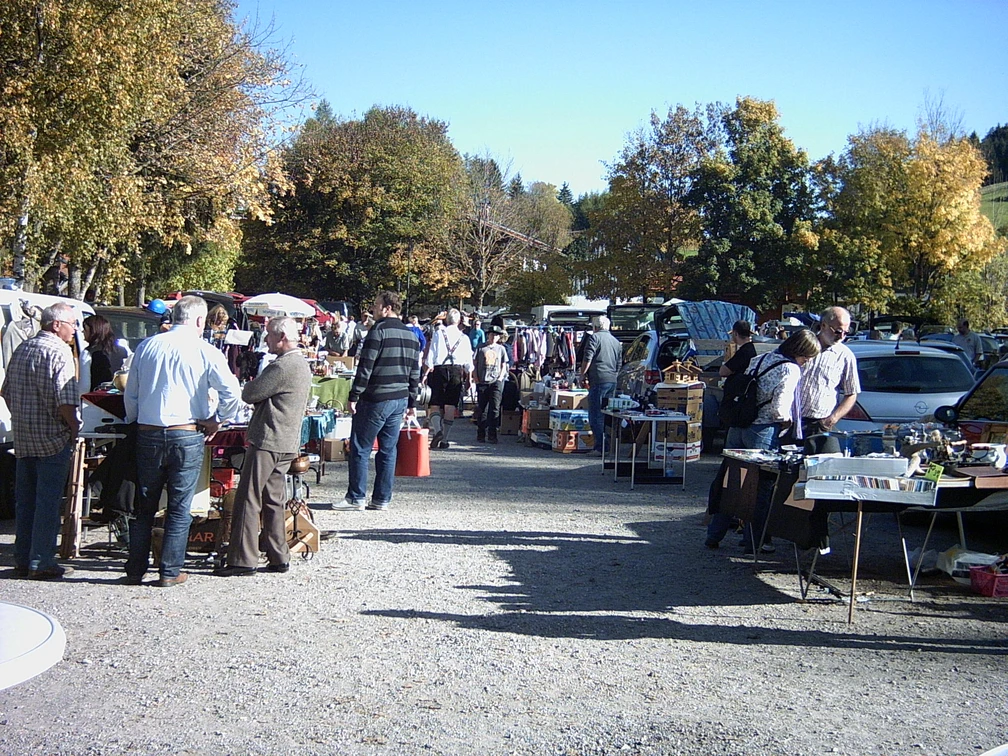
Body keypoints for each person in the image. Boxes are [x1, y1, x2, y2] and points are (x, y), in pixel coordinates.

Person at [123, 295, 242, 587]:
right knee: (179, 506)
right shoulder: (205, 350)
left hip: (149, 431)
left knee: (144, 505)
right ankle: (169, 570)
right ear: (200, 320)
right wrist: (219, 420)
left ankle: (135, 568)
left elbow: (132, 392)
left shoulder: (147, 346)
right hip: (185, 432)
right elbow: (232, 394)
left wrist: (135, 420)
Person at [705, 328, 821, 551]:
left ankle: (714, 534)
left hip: (738, 425)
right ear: (801, 352)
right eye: (807, 357)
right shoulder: (790, 369)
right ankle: (754, 541)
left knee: (732, 483)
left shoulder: (761, 358)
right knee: (760, 489)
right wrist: (787, 422)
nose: (806, 362)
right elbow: (779, 408)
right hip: (762, 430)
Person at [217, 317, 312, 577]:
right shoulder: (300, 364)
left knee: (248, 498)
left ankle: (242, 559)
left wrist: (250, 382)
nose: (266, 340)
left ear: (281, 337)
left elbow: (249, 394)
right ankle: (277, 555)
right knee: (273, 500)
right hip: (286, 442)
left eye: (269, 335)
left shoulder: (282, 366)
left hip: (268, 439)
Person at [1, 303, 81, 579]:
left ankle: (23, 558)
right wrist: (74, 428)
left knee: (26, 502)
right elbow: (66, 401)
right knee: (47, 502)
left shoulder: (23, 348)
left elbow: (6, 391)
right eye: (72, 324)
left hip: (24, 437)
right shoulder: (59, 351)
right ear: (56, 324)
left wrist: (22, 417)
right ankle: (42, 560)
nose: (75, 330)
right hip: (52, 439)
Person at [341, 290, 420, 511]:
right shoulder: (412, 336)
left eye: (376, 305)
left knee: (360, 446)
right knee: (388, 449)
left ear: (387, 308)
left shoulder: (377, 332)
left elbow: (365, 368)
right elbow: (415, 373)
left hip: (376, 397)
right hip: (400, 398)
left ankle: (356, 497)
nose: (373, 309)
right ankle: (382, 498)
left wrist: (354, 395)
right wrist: (412, 403)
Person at [796, 306, 861, 440]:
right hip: (791, 420)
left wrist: (832, 419)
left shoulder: (845, 356)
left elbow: (852, 393)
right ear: (823, 325)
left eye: (846, 332)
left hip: (819, 424)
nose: (842, 336)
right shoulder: (802, 346)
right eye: (838, 331)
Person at [423, 308, 474, 450]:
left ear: (447, 320)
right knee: (450, 405)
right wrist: (469, 378)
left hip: (439, 370)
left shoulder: (439, 333)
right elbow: (468, 362)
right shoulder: (464, 338)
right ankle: (444, 439)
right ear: (458, 321)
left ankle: (437, 430)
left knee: (435, 403)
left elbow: (430, 356)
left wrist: (426, 374)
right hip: (456, 370)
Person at [579, 315, 623, 454]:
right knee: (607, 414)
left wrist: (582, 375)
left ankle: (600, 447)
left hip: (598, 379)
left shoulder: (594, 338)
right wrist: (614, 375)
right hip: (611, 380)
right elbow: (619, 363)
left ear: (595, 327)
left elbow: (588, 358)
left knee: (596, 415)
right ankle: (608, 445)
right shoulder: (616, 342)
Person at [474, 325, 509, 443]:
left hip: (496, 381)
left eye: (496, 335)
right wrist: (476, 379)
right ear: (488, 335)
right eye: (492, 334)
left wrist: (500, 378)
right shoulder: (480, 347)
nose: (494, 337)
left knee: (494, 408)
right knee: (481, 408)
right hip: (482, 381)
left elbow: (504, 365)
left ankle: (492, 434)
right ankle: (481, 433)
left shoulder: (501, 349)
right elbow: (474, 364)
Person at [82, 314, 129, 390]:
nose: (82, 331)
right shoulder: (122, 351)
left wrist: (81, 398)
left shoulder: (87, 353)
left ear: (93, 332)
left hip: (95, 398)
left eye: (85, 329)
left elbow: (84, 384)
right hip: (118, 397)